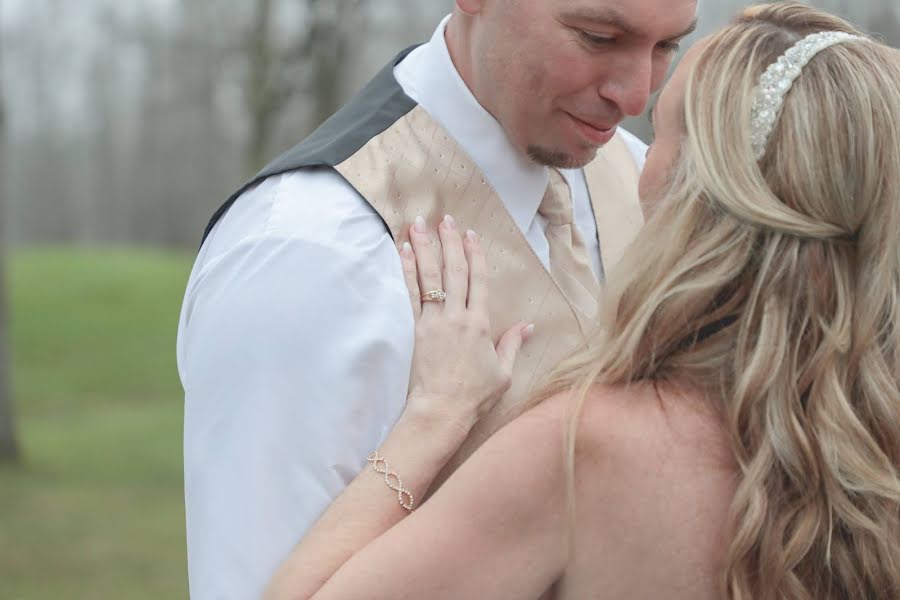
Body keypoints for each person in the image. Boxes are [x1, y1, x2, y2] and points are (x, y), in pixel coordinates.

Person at [260, 3, 900, 599]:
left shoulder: (584, 455)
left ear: (701, 190)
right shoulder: (875, 444)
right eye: (598, 37)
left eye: (664, 130)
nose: (629, 107)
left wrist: (433, 417)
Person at [176, 0, 698, 597]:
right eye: (598, 37)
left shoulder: (646, 181)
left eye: (666, 48)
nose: (636, 96)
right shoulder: (307, 249)